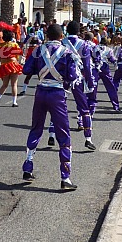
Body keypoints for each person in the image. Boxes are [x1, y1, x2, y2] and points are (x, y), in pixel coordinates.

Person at [22, 24, 79, 191]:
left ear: (46, 35)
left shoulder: (38, 50)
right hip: (57, 94)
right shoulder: (67, 53)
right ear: (62, 36)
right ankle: (65, 177)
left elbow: (26, 69)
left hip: (40, 92)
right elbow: (72, 76)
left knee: (36, 128)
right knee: (63, 133)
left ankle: (28, 166)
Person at [62, 21, 96, 151]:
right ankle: (88, 138)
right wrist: (90, 82)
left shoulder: (62, 43)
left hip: (63, 79)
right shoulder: (84, 44)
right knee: (84, 108)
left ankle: (52, 134)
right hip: (78, 79)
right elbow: (87, 66)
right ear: (78, 31)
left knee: (59, 106)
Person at [0, 23, 23, 107]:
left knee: (4, 84)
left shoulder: (0, 45)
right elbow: (20, 53)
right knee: (14, 84)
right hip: (13, 64)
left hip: (4, 65)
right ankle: (14, 102)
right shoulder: (14, 44)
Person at [89, 37, 119, 112]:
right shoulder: (108, 49)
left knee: (93, 86)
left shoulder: (95, 47)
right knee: (110, 86)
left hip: (95, 67)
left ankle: (91, 105)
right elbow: (112, 59)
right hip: (104, 67)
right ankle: (115, 105)